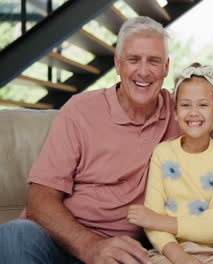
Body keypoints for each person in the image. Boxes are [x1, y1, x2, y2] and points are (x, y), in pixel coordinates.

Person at [0, 16, 179, 264]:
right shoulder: (80, 110)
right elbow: (40, 199)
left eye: (154, 61)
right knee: (15, 235)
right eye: (133, 59)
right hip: (58, 240)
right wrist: (90, 246)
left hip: (121, 252)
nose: (144, 71)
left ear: (167, 67)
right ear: (118, 63)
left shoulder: (180, 113)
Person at [127, 63, 213, 264]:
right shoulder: (162, 154)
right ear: (176, 112)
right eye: (186, 104)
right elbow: (151, 220)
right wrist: (179, 257)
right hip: (168, 252)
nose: (194, 112)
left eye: (203, 105)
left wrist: (158, 221)